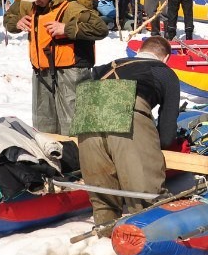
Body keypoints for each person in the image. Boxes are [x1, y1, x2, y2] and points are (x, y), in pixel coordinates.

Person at [77, 35, 181, 235]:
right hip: (128, 110)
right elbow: (167, 131)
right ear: (166, 58)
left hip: (87, 111)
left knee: (103, 194)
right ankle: (151, 237)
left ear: (139, 50)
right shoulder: (164, 73)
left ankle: (106, 235)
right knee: (143, 192)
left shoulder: (107, 66)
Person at [4, 0, 109, 135]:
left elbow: (101, 29)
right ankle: (50, 155)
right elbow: (9, 18)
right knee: (43, 121)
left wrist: (66, 29)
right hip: (41, 71)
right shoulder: (29, 3)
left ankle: (76, 156)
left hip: (70, 71)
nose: (35, 0)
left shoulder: (70, 7)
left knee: (73, 122)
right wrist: (16, 23)